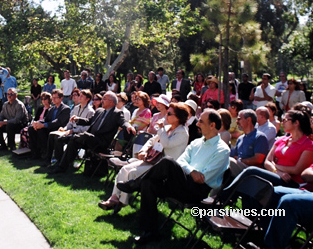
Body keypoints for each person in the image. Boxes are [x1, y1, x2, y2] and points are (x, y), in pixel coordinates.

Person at [116, 109, 230, 244]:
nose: (197, 124)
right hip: (183, 183)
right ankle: (150, 232)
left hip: (197, 191)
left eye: (201, 121)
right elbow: (181, 161)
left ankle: (135, 184)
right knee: (149, 184)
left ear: (212, 125)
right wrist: (192, 170)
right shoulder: (196, 143)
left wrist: (190, 171)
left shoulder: (222, 150)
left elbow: (202, 177)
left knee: (167, 161)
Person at [263, 126, 313, 249]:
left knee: (289, 202)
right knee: (270, 192)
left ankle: (271, 246)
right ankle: (267, 235)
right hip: (308, 192)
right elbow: (305, 174)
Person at [98, 102, 190, 212]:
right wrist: (144, 150)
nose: (166, 115)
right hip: (152, 159)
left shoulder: (182, 133)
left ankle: (120, 202)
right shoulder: (168, 128)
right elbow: (152, 140)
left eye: (169, 113)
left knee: (132, 173)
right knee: (124, 169)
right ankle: (114, 198)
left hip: (161, 168)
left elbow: (167, 144)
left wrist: (161, 129)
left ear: (178, 117)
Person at [221, 110, 313, 197]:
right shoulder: (281, 140)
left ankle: (224, 194)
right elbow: (267, 161)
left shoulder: (309, 145)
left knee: (251, 171)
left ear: (296, 123)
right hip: (276, 174)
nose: (282, 122)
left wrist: (275, 166)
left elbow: (297, 170)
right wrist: (277, 171)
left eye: (285, 120)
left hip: (292, 182)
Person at [49, 91, 136, 174]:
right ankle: (61, 166)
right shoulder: (99, 111)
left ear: (111, 102)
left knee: (83, 136)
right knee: (73, 142)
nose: (102, 100)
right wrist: (78, 119)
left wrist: (128, 126)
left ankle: (68, 138)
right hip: (90, 139)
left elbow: (123, 121)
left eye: (104, 99)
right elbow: (89, 121)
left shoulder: (117, 113)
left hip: (101, 142)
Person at [46, 89, 95, 166]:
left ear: (87, 99)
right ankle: (48, 159)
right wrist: (65, 128)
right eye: (80, 95)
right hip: (71, 131)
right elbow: (70, 122)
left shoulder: (90, 111)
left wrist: (73, 130)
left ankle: (60, 161)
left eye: (82, 96)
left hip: (79, 134)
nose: (79, 97)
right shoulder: (76, 108)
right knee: (52, 134)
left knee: (58, 138)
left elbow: (87, 128)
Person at [28, 89, 71, 160]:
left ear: (61, 98)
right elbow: (46, 119)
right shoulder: (52, 109)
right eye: (52, 97)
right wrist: (37, 123)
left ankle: (45, 152)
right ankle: (35, 152)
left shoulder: (65, 109)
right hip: (49, 127)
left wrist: (44, 125)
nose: (53, 99)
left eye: (55, 98)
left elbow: (58, 122)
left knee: (41, 130)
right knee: (31, 128)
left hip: (58, 129)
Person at [229, 109, 269, 176]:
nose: (236, 121)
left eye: (239, 119)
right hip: (240, 170)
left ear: (248, 120)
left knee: (230, 162)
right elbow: (234, 155)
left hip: (252, 173)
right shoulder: (240, 138)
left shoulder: (260, 137)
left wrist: (240, 161)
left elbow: (258, 159)